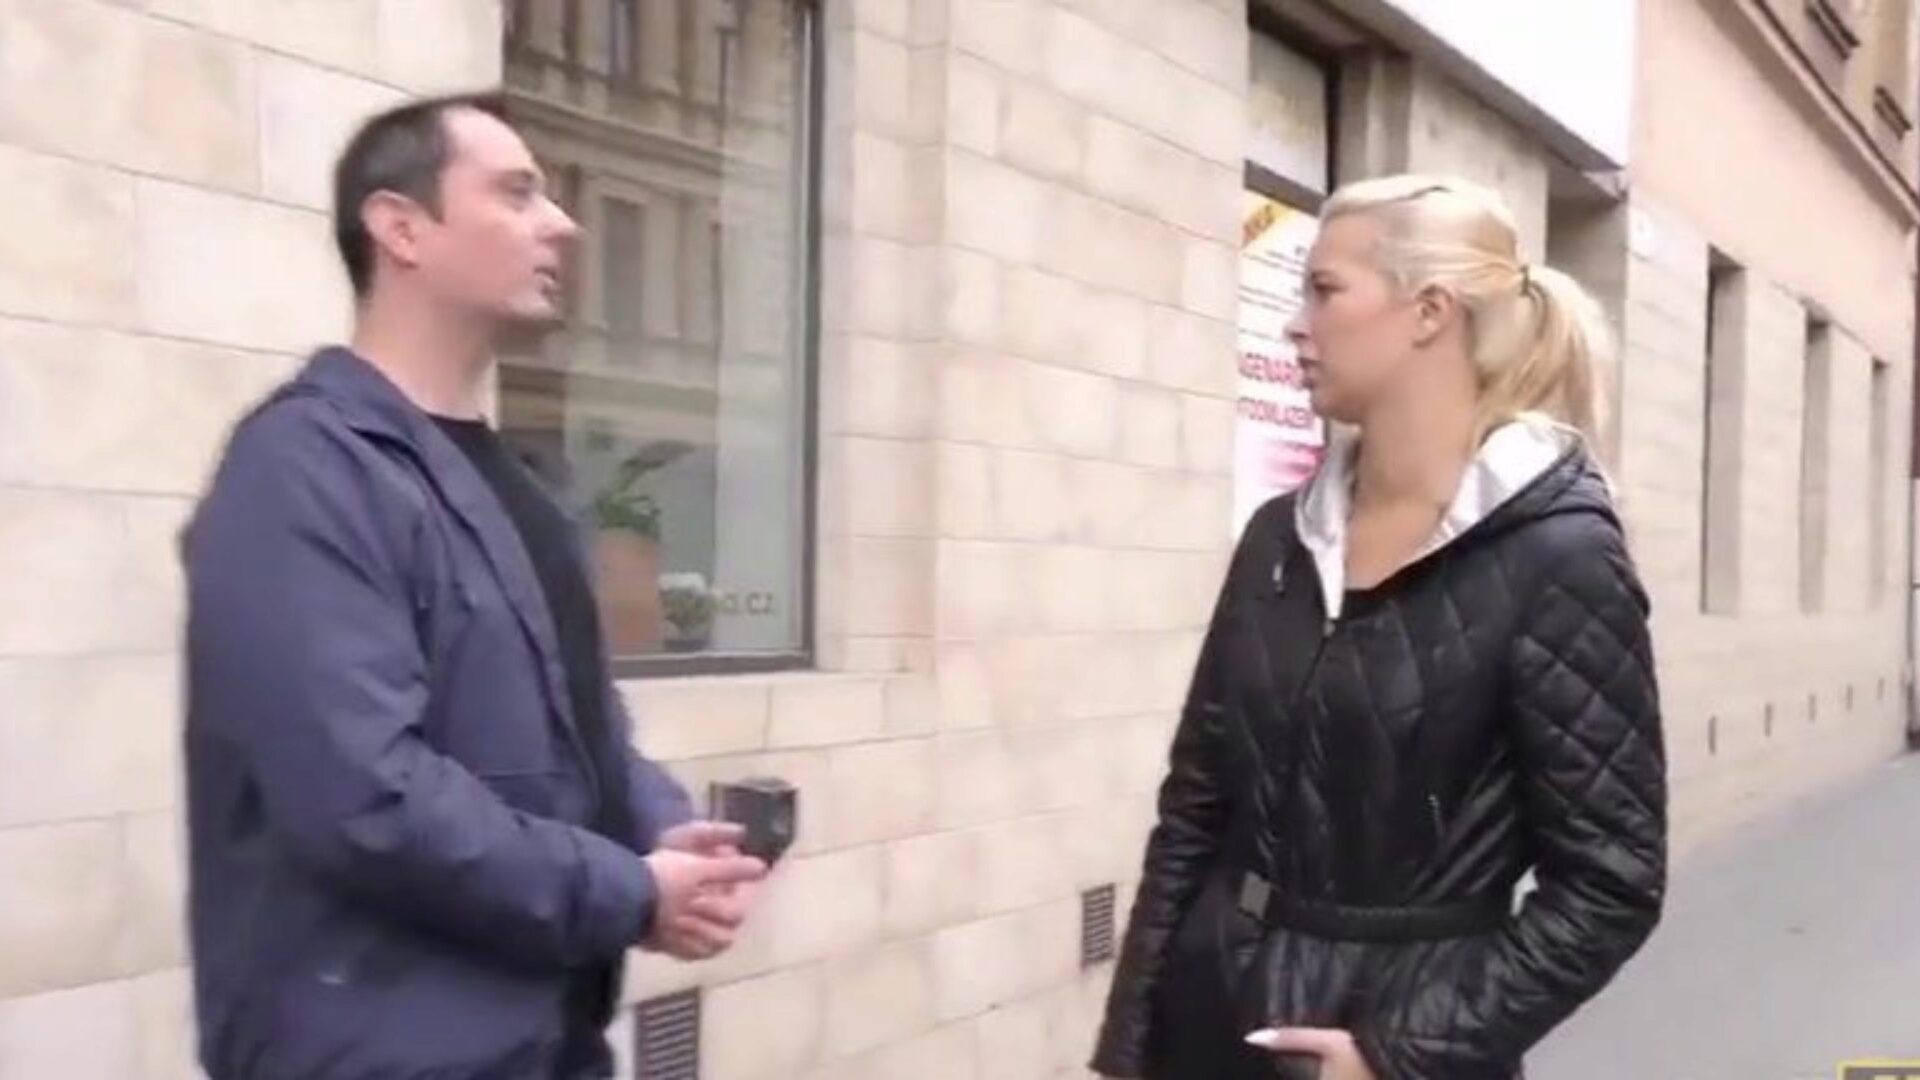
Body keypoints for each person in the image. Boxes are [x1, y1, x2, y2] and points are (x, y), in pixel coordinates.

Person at [182, 92, 767, 1079]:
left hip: (540, 1038)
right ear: (400, 228)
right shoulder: (304, 468)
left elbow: (578, 720)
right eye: (517, 193)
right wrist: (629, 892)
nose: (564, 223)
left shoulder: (514, 491)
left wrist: (666, 833)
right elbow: (363, 797)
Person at [1090, 175, 1667, 1080]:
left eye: (1323, 290)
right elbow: (1194, 814)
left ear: (1427, 310)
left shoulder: (1560, 556)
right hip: (1210, 1023)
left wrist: (1397, 1055)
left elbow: (1610, 884)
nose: (1295, 321)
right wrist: (1125, 1053)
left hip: (1390, 1043)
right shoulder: (1281, 539)